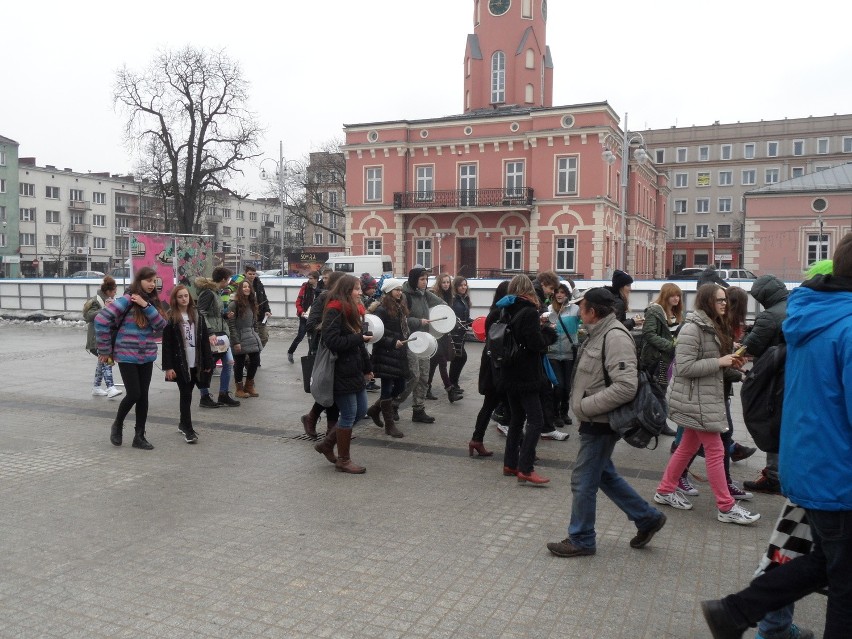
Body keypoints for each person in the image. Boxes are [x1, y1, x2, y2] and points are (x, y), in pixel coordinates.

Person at [701, 233, 852, 639]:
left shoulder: (811, 317)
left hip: (808, 460)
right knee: (843, 581)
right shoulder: (844, 325)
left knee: (826, 561)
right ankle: (741, 612)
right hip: (838, 471)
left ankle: (737, 611)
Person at [547, 287, 666, 557]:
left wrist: (584, 406)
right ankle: (647, 518)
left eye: (582, 306)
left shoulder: (614, 337)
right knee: (603, 474)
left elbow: (626, 386)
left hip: (601, 421)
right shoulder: (598, 333)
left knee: (583, 480)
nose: (578, 310)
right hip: (594, 419)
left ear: (592, 311)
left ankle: (581, 538)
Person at [653, 284, 760, 525]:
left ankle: (665, 490)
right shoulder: (692, 328)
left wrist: (730, 362)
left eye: (725, 300)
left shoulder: (713, 325)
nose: (725, 304)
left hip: (703, 398)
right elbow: (686, 367)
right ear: (706, 302)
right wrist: (719, 361)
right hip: (696, 400)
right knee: (716, 450)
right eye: (719, 300)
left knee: (686, 447)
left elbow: (711, 363)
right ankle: (726, 506)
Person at [94, 266, 167, 450]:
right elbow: (101, 320)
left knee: (143, 397)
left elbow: (160, 325)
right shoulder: (127, 300)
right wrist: (104, 350)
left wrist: (145, 305)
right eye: (148, 280)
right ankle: (118, 424)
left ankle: (139, 436)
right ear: (139, 281)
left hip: (147, 355)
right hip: (127, 355)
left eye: (154, 281)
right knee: (134, 393)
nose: (152, 284)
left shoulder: (151, 302)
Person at [496, 274, 557, 484]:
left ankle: (510, 464)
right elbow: (535, 344)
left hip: (509, 371)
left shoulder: (507, 309)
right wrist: (549, 334)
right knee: (536, 420)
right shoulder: (530, 311)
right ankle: (526, 467)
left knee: (516, 419)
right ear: (528, 290)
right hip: (526, 374)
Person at [316, 274, 373, 474]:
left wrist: (367, 368)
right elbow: (332, 342)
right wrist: (358, 338)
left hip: (354, 370)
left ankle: (327, 444)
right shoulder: (334, 310)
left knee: (360, 411)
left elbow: (360, 345)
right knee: (349, 413)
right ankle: (343, 459)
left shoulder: (355, 310)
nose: (360, 292)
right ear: (347, 291)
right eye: (357, 289)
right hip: (340, 370)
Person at [741, 274, 790, 495]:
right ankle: (786, 474)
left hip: (772, 379)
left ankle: (773, 476)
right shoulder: (794, 306)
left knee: (771, 423)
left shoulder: (769, 316)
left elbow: (753, 346)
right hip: (793, 376)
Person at [161, 285, 213, 444]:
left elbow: (204, 340)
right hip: (180, 364)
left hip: (195, 362)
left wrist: (208, 361)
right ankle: (188, 430)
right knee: (186, 395)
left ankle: (183, 424)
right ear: (175, 300)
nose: (184, 299)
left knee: (188, 394)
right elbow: (167, 345)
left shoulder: (198, 316)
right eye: (180, 297)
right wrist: (168, 367)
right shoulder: (171, 319)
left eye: (186, 296)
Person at [395, 267, 447, 423]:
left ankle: (418, 409)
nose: (425, 282)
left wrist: (446, 313)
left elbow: (442, 304)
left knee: (424, 376)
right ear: (414, 280)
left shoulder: (425, 294)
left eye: (426, 279)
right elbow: (402, 319)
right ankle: (393, 404)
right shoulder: (405, 296)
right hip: (411, 341)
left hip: (425, 340)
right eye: (422, 279)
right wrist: (418, 321)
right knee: (414, 376)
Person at [467, 281, 510, 457]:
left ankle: (476, 440)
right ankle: (522, 446)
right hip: (497, 365)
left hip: (493, 363)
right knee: (506, 406)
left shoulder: (496, 312)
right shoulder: (499, 314)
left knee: (492, 405)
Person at [302, 270, 346, 439]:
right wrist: (329, 327)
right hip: (325, 350)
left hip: (341, 350)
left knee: (333, 390)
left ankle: (313, 419)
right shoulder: (323, 298)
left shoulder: (347, 300)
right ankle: (327, 428)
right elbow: (310, 324)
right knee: (329, 389)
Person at [365, 278, 408, 438]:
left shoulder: (400, 307)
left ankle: (375, 410)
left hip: (398, 353)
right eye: (396, 289)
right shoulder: (381, 310)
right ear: (388, 291)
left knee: (401, 386)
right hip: (385, 354)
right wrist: (392, 342)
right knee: (387, 389)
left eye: (400, 290)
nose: (399, 292)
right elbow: (375, 335)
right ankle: (390, 426)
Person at [640, 283, 682, 439]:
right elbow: (649, 333)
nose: (676, 298)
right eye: (673, 295)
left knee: (658, 391)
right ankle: (660, 423)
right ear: (665, 296)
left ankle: (653, 421)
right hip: (657, 360)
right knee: (659, 391)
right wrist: (670, 345)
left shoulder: (674, 312)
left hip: (668, 360)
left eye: (678, 295)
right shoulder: (656, 311)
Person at [195, 268, 241, 409]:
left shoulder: (216, 292)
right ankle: (204, 395)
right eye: (227, 280)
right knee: (209, 365)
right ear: (223, 280)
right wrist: (209, 332)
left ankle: (223, 393)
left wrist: (225, 315)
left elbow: (214, 313)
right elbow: (200, 313)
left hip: (221, 333)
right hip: (213, 335)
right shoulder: (208, 293)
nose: (228, 283)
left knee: (229, 363)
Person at [546, 281, 580, 430]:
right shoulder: (549, 309)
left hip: (569, 353)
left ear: (567, 294)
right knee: (558, 385)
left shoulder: (575, 309)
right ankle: (555, 414)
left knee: (567, 387)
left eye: (562, 292)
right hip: (553, 353)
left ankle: (564, 412)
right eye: (557, 292)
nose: (559, 294)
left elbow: (585, 311)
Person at [84, 275, 123, 399]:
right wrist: (106, 309)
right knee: (107, 360)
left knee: (102, 362)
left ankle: (96, 387)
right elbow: (88, 316)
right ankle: (110, 387)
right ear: (108, 291)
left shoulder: (111, 300)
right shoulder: (96, 301)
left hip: (105, 338)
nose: (115, 293)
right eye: (114, 291)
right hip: (96, 339)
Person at [427, 273, 460, 402]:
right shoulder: (434, 295)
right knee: (442, 360)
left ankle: (426, 388)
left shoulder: (450, 296)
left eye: (448, 282)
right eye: (444, 282)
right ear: (439, 283)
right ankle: (450, 390)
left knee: (434, 362)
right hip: (435, 333)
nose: (446, 284)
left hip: (444, 332)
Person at [228, 279, 264, 399]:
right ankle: (239, 389)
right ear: (240, 289)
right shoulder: (234, 304)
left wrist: (257, 335)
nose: (247, 289)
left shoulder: (252, 303)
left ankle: (249, 385)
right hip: (239, 336)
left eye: (248, 287)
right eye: (244, 287)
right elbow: (231, 324)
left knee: (255, 360)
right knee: (239, 362)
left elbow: (254, 323)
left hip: (251, 335)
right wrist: (235, 341)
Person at [287, 271, 319, 364]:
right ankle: (290, 352)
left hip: (314, 316)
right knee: (301, 335)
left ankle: (312, 356)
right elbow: (298, 301)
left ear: (316, 279)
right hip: (304, 315)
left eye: (311, 278)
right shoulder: (305, 287)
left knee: (313, 337)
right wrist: (301, 311)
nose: (309, 280)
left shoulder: (320, 288)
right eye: (309, 278)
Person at [448, 275, 471, 394]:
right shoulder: (453, 300)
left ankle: (453, 383)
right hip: (455, 333)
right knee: (460, 357)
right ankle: (452, 383)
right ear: (456, 287)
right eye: (461, 285)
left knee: (458, 358)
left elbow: (466, 317)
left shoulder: (464, 299)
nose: (463, 287)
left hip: (462, 333)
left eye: (465, 285)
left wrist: (474, 322)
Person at [360, 273, 381, 392]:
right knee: (366, 356)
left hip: (367, 331)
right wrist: (372, 308)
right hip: (362, 332)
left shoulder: (368, 298)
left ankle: (370, 381)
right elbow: (363, 315)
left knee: (369, 355)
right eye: (372, 288)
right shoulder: (361, 299)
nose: (374, 290)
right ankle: (367, 381)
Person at [244, 265, 271, 352]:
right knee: (250, 340)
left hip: (260, 317)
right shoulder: (242, 285)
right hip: (248, 317)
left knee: (264, 337)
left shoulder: (259, 284)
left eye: (253, 274)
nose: (252, 276)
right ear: (245, 274)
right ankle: (249, 359)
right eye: (250, 274)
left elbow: (265, 299)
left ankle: (255, 355)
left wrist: (267, 310)